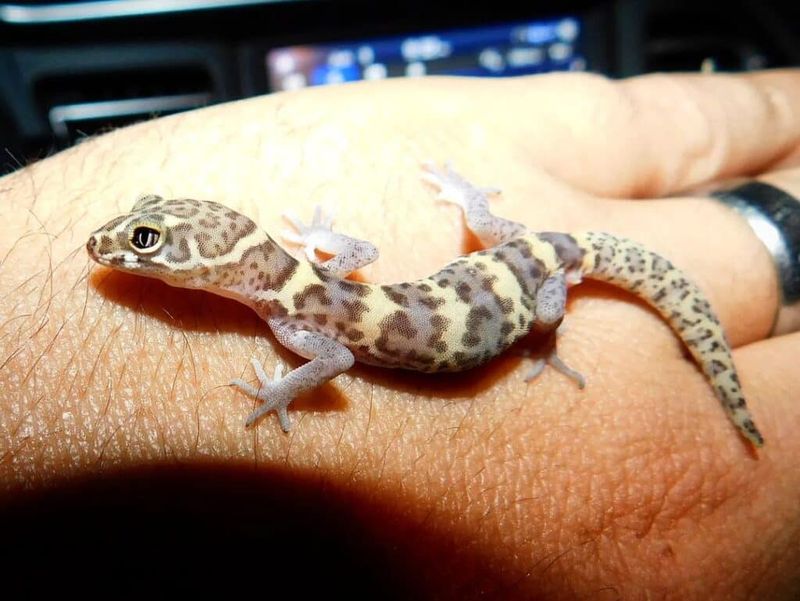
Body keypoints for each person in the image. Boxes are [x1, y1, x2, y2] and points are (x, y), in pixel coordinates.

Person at [0, 70, 798, 599]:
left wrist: (282, 388)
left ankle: (557, 321)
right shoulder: (297, 290)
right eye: (146, 235)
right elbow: (360, 255)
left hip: (537, 280)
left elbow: (340, 355)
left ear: (217, 265)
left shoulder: (295, 320)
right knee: (506, 250)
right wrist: (335, 237)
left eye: (146, 242)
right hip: (507, 260)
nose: (125, 250)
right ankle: (495, 233)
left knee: (547, 310)